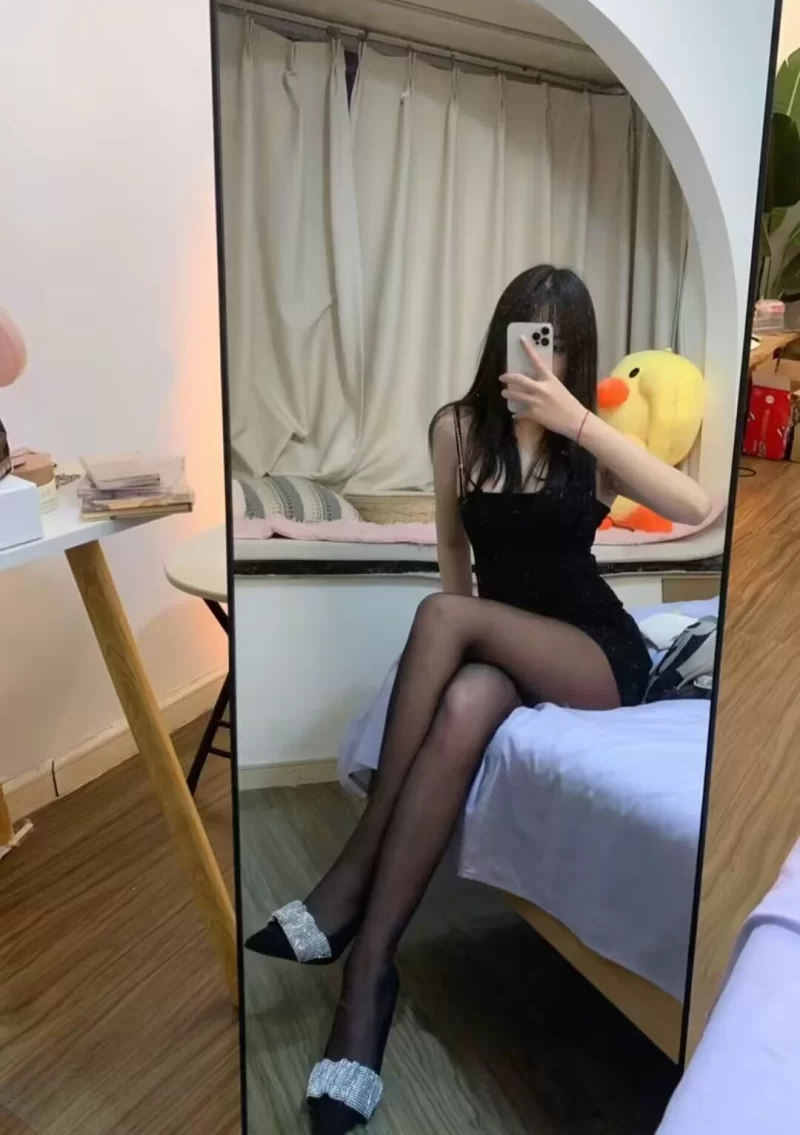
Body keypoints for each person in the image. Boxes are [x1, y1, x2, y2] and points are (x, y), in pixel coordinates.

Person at [245, 265, 712, 1134]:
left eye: (556, 340)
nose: (539, 355)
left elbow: (696, 501)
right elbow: (455, 555)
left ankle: (351, 877)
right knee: (461, 698)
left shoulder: (590, 438)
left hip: (594, 655)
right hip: (504, 642)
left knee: (442, 617)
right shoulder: (457, 429)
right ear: (502, 334)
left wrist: (575, 419)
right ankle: (369, 973)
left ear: (576, 353)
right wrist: (463, 642)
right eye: (526, 331)